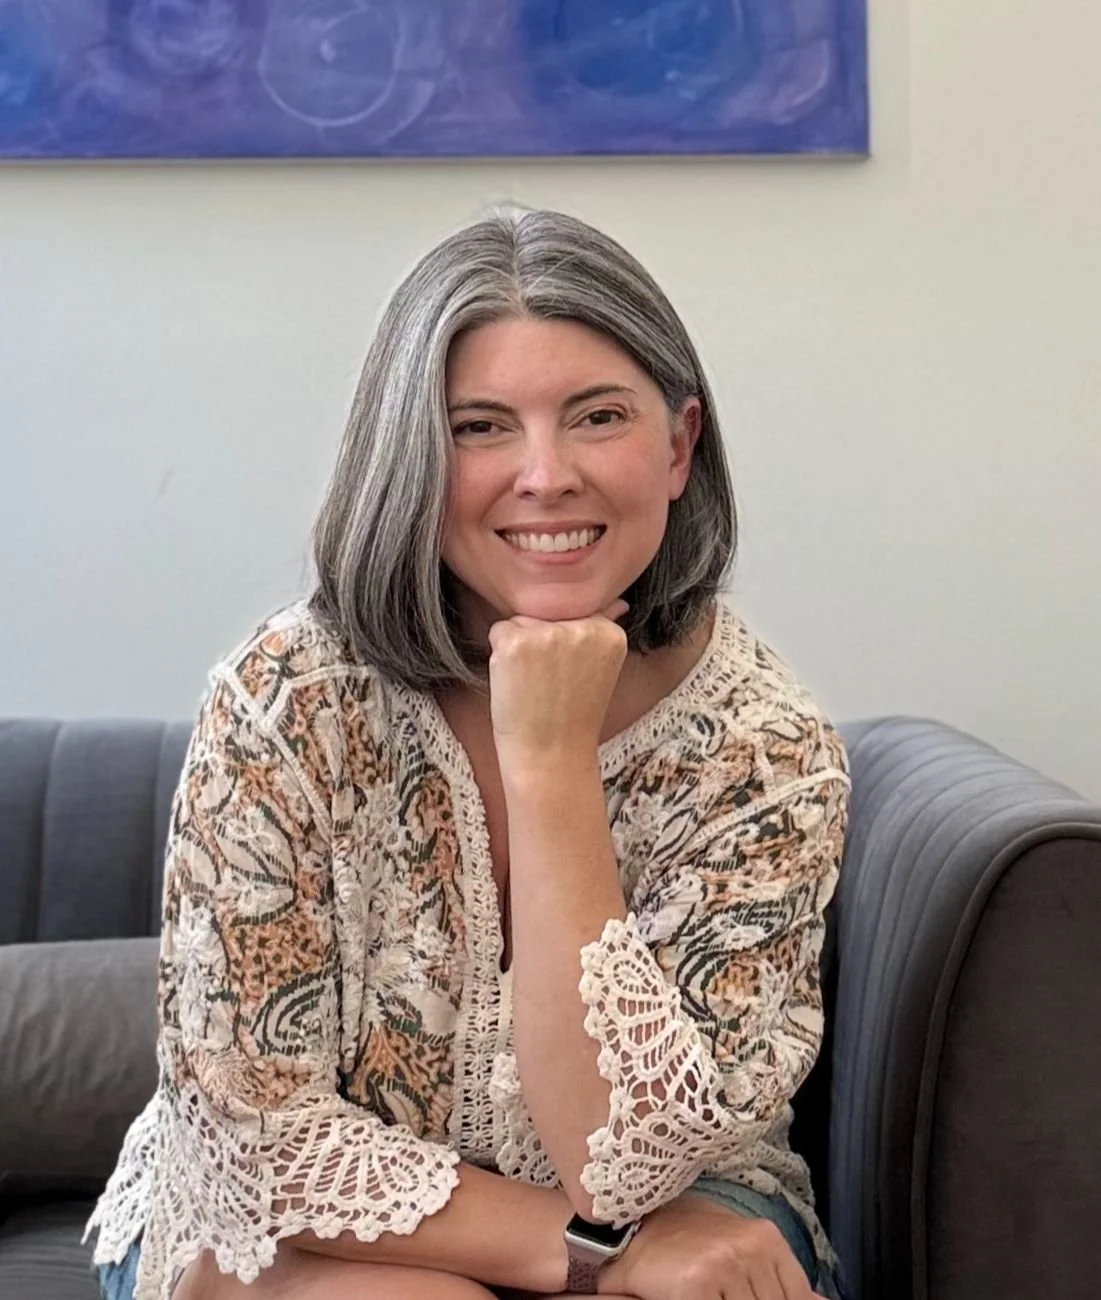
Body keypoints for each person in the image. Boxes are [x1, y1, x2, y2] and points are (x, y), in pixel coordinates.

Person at [87, 207, 850, 1300]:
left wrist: (549, 767)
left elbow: (624, 1162)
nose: (545, 475)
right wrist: (606, 1258)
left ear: (678, 447)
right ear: (411, 456)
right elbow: (255, 1133)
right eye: (481, 427)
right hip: (294, 1217)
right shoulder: (283, 703)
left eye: (596, 416)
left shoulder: (766, 748)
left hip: (679, 1197)